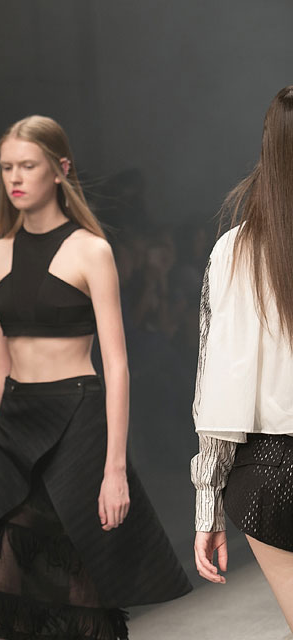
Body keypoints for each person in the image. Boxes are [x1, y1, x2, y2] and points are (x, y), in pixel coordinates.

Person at [0, 115, 190, 639]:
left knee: (85, 586)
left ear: (60, 169)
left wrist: (114, 470)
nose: (15, 178)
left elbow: (117, 364)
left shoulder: (91, 250)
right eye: (6, 168)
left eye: (28, 166)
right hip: (16, 425)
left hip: (78, 422)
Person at [192, 85, 293, 632]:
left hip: (269, 472)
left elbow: (218, 383)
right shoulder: (236, 249)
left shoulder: (234, 250)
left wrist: (207, 508)